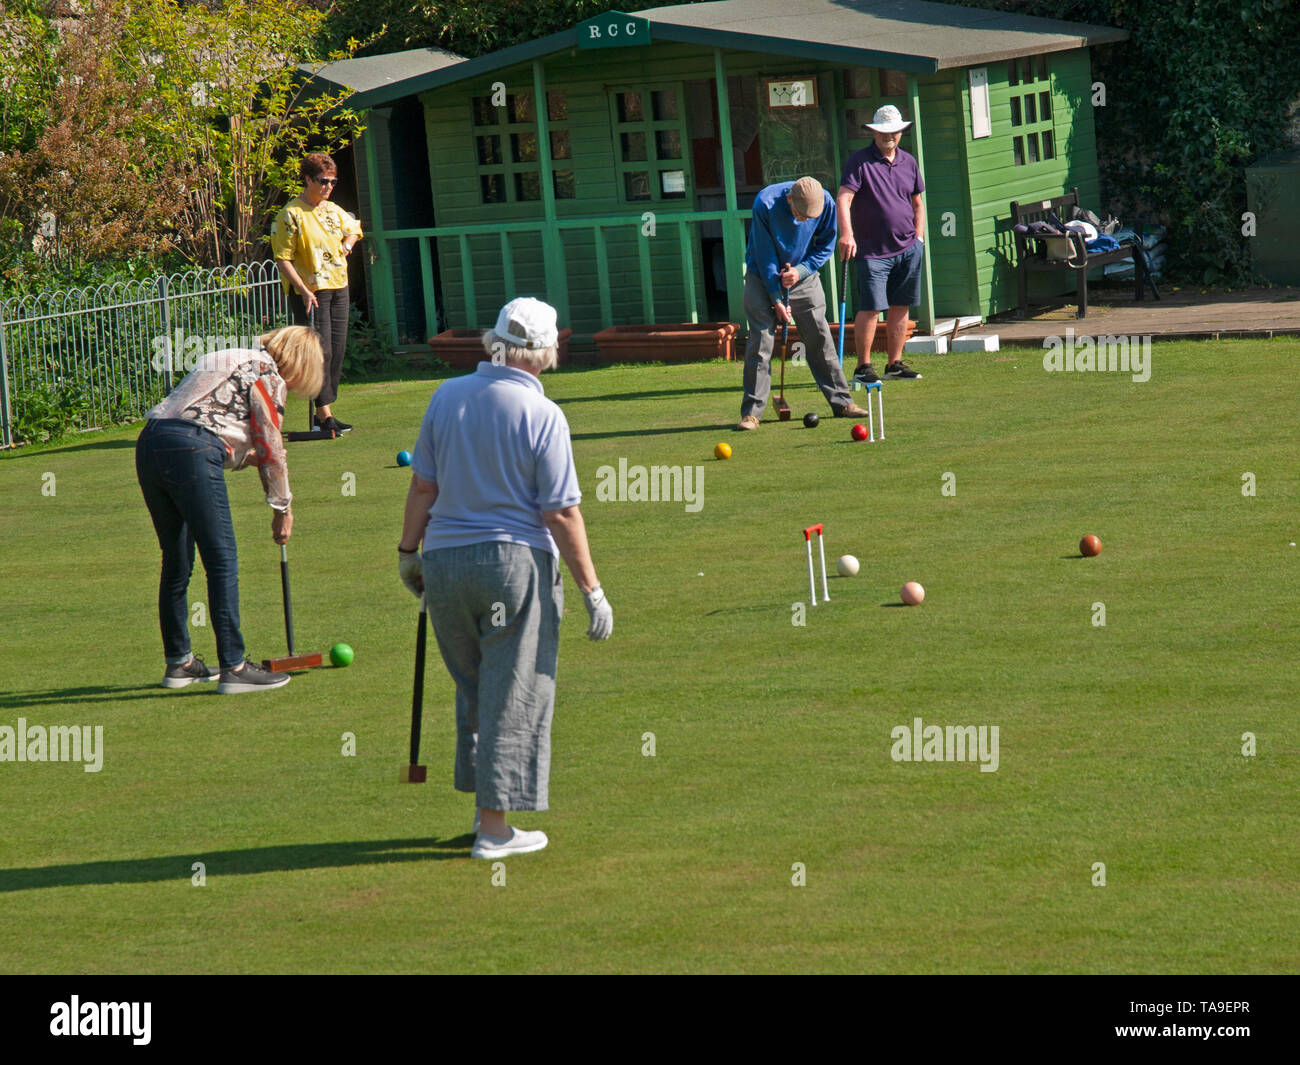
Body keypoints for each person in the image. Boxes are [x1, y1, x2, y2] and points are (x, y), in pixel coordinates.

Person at [397, 298, 612, 860]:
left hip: (444, 563)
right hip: (512, 566)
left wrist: (406, 553)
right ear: (541, 352)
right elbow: (561, 512)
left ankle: (483, 813)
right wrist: (593, 590)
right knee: (514, 693)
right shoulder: (544, 415)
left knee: (478, 691)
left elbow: (424, 486)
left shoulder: (446, 396)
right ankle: (494, 831)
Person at [136, 327, 324, 694]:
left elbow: (208, 423)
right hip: (191, 450)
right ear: (300, 362)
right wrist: (282, 507)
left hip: (151, 443)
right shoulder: (267, 374)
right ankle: (234, 668)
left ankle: (180, 664)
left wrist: (243, 459)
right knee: (221, 559)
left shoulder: (226, 356)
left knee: (176, 560)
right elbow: (270, 447)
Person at [737, 176, 867, 430]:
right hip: (761, 277)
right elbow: (765, 257)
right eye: (801, 215)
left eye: (811, 216)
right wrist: (776, 298)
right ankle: (751, 414)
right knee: (761, 343)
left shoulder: (826, 202)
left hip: (803, 277)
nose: (806, 220)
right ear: (789, 200)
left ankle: (842, 403)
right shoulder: (765, 202)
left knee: (819, 338)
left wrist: (802, 270)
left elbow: (826, 245)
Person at [271, 152, 363, 435]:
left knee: (336, 350)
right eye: (323, 181)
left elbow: (355, 229)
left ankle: (325, 412)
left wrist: (347, 246)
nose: (329, 186)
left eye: (333, 181)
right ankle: (324, 415)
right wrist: (301, 289)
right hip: (311, 291)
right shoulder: (291, 214)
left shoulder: (332, 209)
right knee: (318, 352)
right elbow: (282, 258)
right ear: (308, 179)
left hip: (339, 286)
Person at [836, 105, 926, 383]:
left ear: (901, 132)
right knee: (872, 308)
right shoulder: (859, 161)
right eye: (884, 132)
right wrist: (846, 234)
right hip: (873, 252)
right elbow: (843, 198)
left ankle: (894, 364)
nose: (890, 136)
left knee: (901, 306)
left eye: (895, 131)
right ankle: (863, 367)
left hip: (908, 248)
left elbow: (917, 203)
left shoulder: (909, 162)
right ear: (874, 132)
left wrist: (919, 239)